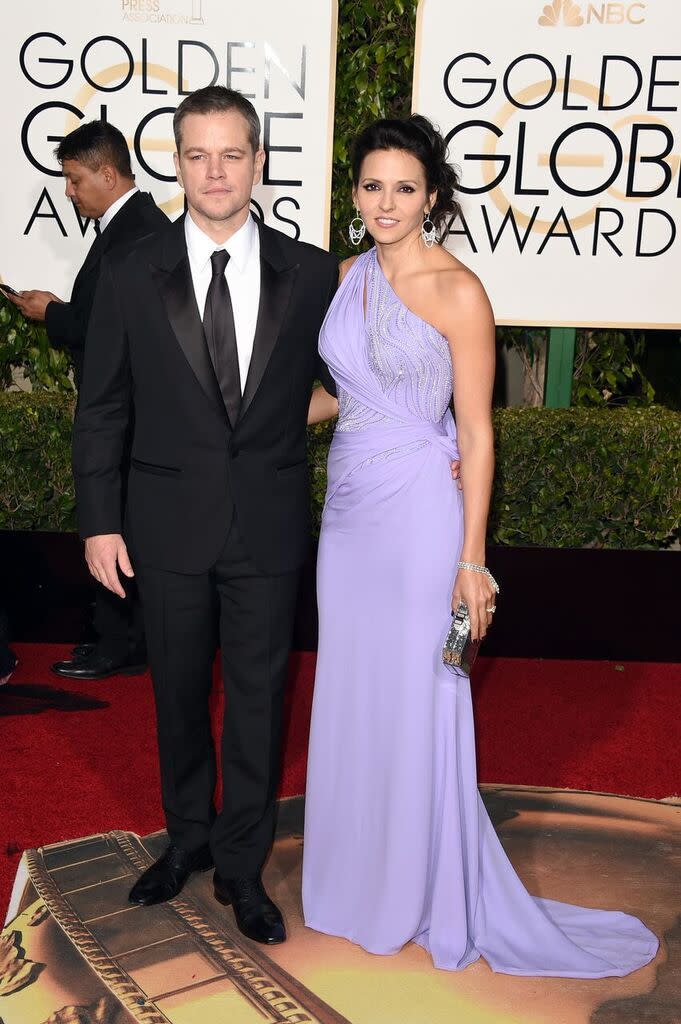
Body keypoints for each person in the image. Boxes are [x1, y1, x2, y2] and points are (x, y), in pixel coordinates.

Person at [302, 115, 659, 977]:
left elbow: (477, 432)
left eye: (405, 188)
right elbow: (344, 396)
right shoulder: (345, 276)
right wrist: (241, 423)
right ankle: (356, 880)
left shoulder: (459, 291)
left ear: (432, 198)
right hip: (346, 517)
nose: (387, 202)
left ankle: (419, 889)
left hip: (421, 515)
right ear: (353, 194)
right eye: (373, 185)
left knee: (419, 695)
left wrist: (471, 561)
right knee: (353, 688)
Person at [72, 87, 339, 945]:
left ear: (258, 162)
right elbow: (103, 405)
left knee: (259, 704)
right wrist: (99, 521)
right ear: (177, 162)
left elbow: (360, 379)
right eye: (198, 155)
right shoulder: (128, 269)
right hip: (163, 523)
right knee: (177, 697)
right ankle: (185, 838)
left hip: (265, 524)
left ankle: (239, 866)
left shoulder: (311, 272)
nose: (216, 171)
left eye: (232, 154)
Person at [9, 121, 167, 681]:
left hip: (126, 415)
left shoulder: (138, 233)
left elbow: (109, 330)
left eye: (74, 179)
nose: (69, 192)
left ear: (106, 171)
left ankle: (116, 643)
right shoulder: (127, 228)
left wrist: (50, 312)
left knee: (115, 526)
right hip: (129, 412)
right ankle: (126, 640)